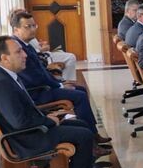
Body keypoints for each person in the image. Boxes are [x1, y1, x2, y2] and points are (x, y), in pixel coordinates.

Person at [0, 36, 106, 168]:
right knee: (84, 135)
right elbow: (19, 122)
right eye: (18, 52)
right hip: (25, 138)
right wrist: (49, 121)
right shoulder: (1, 82)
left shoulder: (6, 75)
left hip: (32, 129)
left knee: (81, 125)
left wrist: (50, 118)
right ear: (4, 58)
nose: (25, 55)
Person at [10, 11, 107, 144]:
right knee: (80, 96)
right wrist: (60, 85)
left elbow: (42, 71)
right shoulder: (18, 49)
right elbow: (35, 78)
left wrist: (60, 82)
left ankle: (93, 133)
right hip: (37, 92)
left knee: (81, 90)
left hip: (43, 87)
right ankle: (91, 139)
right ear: (16, 29)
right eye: (28, 26)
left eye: (34, 25)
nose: (33, 29)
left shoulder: (26, 45)